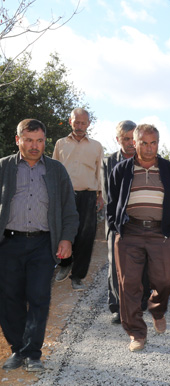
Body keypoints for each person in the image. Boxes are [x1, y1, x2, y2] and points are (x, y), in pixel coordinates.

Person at [0, 119, 78, 372]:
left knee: (39, 297)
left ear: (46, 141)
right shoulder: (3, 167)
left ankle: (33, 353)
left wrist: (66, 239)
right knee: (9, 298)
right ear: (18, 140)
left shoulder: (56, 170)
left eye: (40, 140)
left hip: (43, 244)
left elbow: (69, 208)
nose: (35, 146)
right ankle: (17, 350)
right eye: (29, 140)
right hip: (8, 244)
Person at [106, 124, 170, 352]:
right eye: (144, 143)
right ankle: (136, 333)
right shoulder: (121, 169)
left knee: (167, 277)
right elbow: (112, 204)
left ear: (158, 144)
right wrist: (117, 228)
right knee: (129, 284)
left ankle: (157, 309)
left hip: (161, 233)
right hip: (129, 232)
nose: (149, 148)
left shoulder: (169, 170)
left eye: (153, 143)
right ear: (134, 143)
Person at [101, 120, 151, 324]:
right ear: (118, 140)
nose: (131, 143)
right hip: (117, 221)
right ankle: (118, 307)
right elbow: (107, 194)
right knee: (116, 265)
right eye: (126, 139)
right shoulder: (108, 162)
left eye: (133, 138)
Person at [52, 108, 105, 291]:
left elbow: (101, 173)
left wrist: (100, 195)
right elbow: (54, 170)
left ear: (88, 124)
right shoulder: (60, 144)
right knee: (62, 231)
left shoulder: (96, 146)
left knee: (85, 236)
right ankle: (65, 263)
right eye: (77, 122)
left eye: (83, 123)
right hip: (64, 194)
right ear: (70, 122)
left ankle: (77, 277)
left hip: (88, 195)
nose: (80, 126)